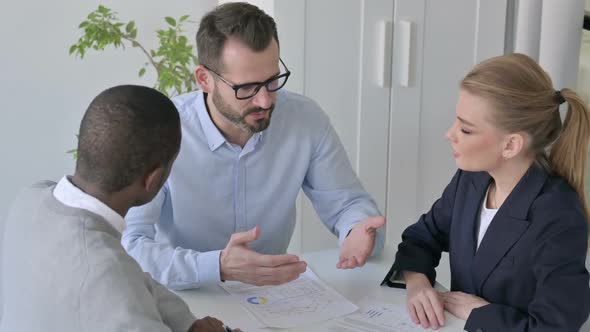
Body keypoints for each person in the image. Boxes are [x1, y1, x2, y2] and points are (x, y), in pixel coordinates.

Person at [122, 2, 386, 290]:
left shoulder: (304, 119)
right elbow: (130, 246)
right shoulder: (163, 130)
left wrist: (358, 229)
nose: (265, 101)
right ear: (204, 79)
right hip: (183, 294)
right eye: (246, 88)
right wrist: (218, 266)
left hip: (271, 295)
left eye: (273, 81)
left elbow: (347, 204)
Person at [381, 53, 590, 331]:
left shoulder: (558, 214)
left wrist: (482, 314)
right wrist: (417, 282)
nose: (450, 134)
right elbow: (421, 238)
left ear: (511, 145)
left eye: (466, 129)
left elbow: (556, 325)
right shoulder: (471, 181)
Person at [0, 85, 233, 332]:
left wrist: (189, 324)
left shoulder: (30, 198)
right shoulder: (107, 274)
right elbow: (119, 282)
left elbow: (136, 279)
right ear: (152, 180)